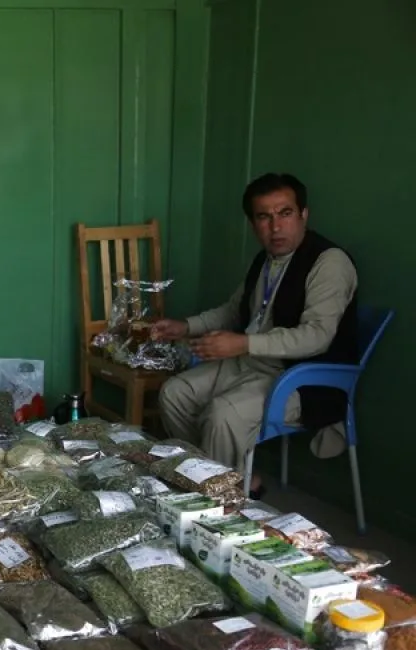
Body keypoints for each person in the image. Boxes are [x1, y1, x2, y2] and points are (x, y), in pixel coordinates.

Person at [152, 173, 358, 495]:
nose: (275, 227)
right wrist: (185, 326)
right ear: (253, 224)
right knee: (174, 393)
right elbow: (235, 311)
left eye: (285, 213)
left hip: (299, 377)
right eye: (264, 217)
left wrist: (243, 343)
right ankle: (224, 481)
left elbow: (317, 336)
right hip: (252, 363)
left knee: (223, 415)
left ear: (303, 214)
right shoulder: (266, 259)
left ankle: (220, 502)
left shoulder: (329, 263)